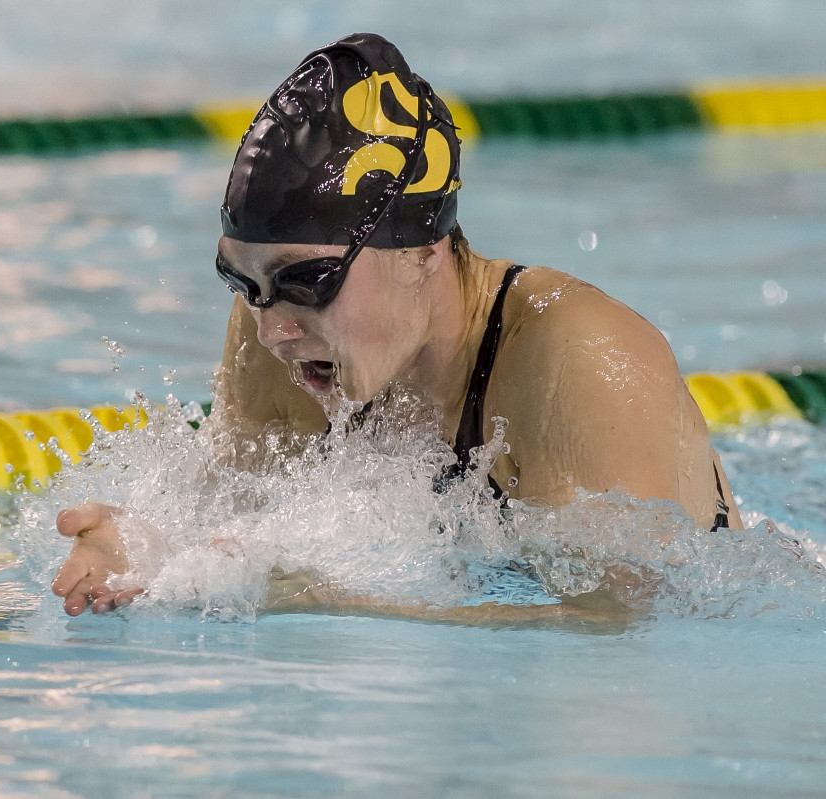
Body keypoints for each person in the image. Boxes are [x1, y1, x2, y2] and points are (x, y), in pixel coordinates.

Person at [51, 33, 741, 618]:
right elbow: (225, 518)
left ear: (421, 249)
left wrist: (340, 603)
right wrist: (144, 549)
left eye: (308, 281)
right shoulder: (281, 334)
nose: (272, 329)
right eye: (244, 282)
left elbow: (625, 629)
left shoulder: (576, 356)